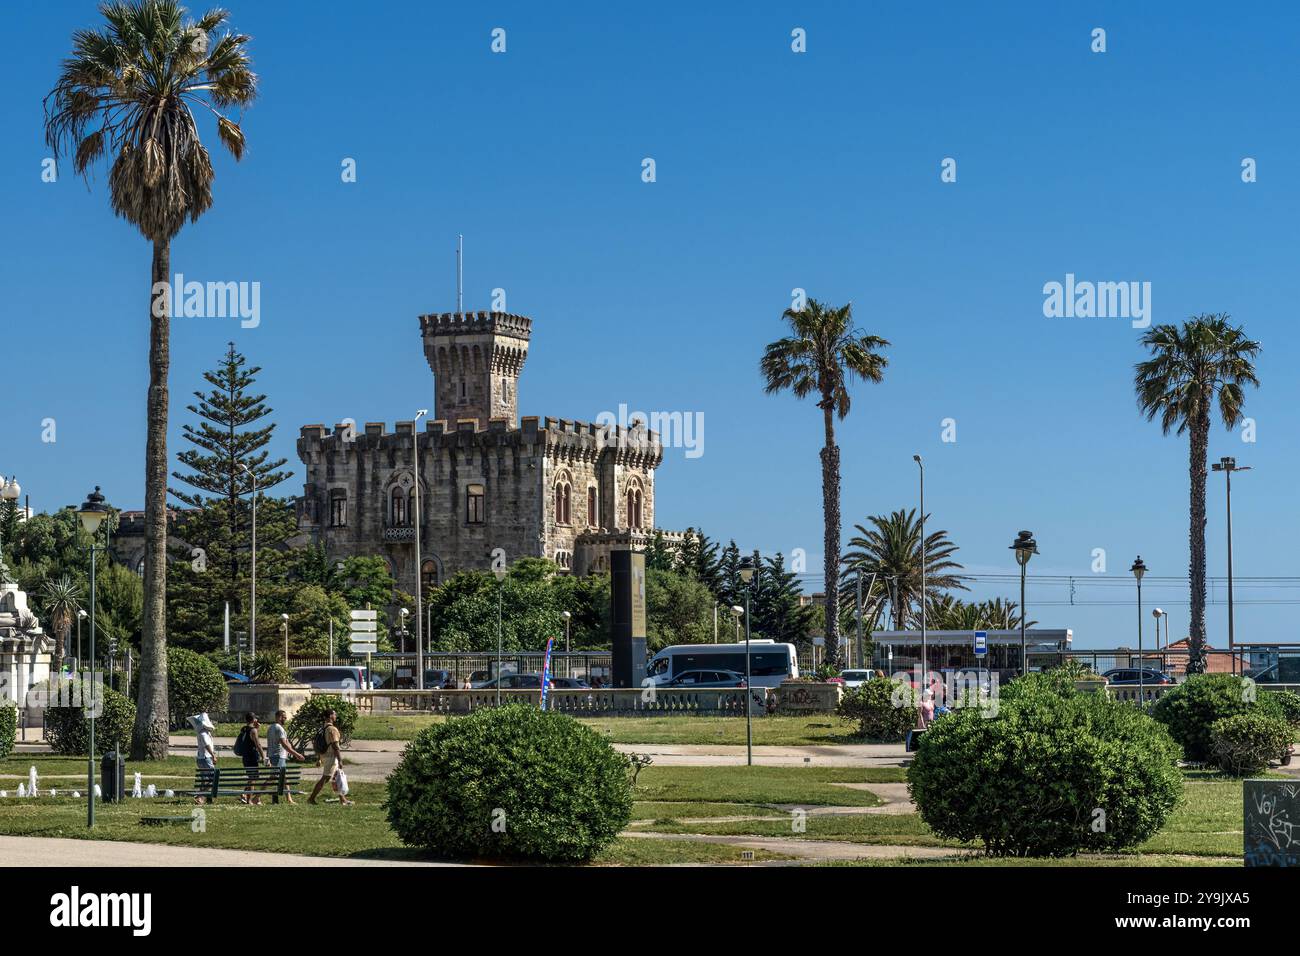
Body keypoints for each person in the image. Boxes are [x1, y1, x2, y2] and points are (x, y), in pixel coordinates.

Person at [308, 709, 353, 806]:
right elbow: (335, 746)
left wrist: (319, 758)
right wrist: (340, 760)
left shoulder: (323, 728)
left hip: (324, 755)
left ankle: (343, 799)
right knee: (326, 778)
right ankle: (311, 798)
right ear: (330, 716)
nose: (336, 715)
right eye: (334, 714)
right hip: (331, 757)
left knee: (337, 778)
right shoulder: (332, 729)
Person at [265, 709, 306, 804]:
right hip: (278, 757)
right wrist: (297, 754)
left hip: (274, 756)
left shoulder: (271, 728)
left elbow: (284, 743)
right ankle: (256, 797)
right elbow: (284, 744)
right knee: (272, 778)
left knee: (284, 777)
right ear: (279, 717)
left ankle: (289, 798)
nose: (286, 719)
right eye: (284, 717)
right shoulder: (280, 729)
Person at [234, 712, 267, 805]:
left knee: (253, 777)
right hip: (252, 756)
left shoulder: (244, 729)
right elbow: (258, 744)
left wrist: (257, 728)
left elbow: (250, 739)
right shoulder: (253, 730)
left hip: (245, 756)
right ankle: (249, 800)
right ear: (254, 719)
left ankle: (244, 794)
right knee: (253, 778)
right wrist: (263, 757)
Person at [191, 713, 217, 805]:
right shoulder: (203, 733)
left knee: (204, 779)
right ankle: (200, 796)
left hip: (201, 758)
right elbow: (207, 745)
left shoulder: (202, 732)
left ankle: (206, 797)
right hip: (206, 758)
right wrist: (213, 755)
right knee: (213, 778)